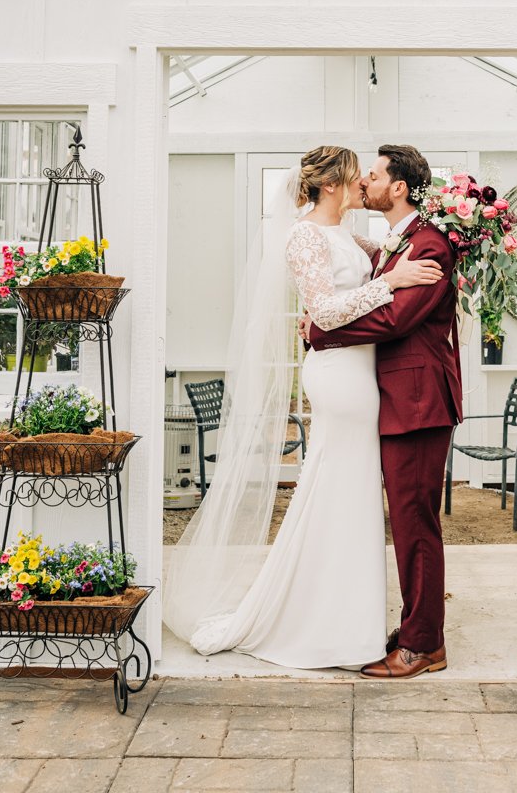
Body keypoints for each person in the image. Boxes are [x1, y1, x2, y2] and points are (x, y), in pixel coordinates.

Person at [176, 145, 443, 668]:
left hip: (363, 375)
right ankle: (328, 623)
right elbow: (324, 309)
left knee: (350, 494)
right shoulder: (303, 235)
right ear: (331, 186)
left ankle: (351, 620)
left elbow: (383, 260)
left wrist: (389, 271)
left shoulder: (350, 236)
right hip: (341, 379)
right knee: (341, 487)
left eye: (371, 175)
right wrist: (389, 282)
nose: (363, 182)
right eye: (355, 176)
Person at [301, 144, 463, 678]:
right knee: (408, 518)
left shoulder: (431, 246)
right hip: (396, 400)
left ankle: (423, 645)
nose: (364, 182)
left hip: (418, 402)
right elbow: (359, 273)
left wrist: (325, 329)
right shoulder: (398, 243)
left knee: (416, 521)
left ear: (398, 188)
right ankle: (418, 625)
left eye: (372, 175)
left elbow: (395, 320)